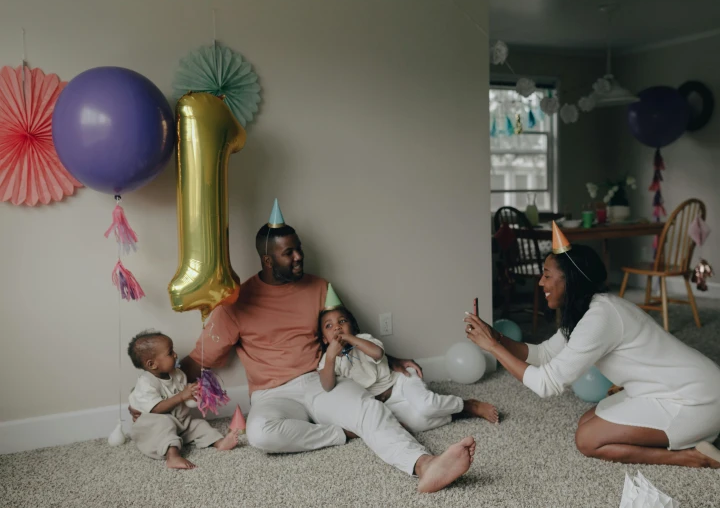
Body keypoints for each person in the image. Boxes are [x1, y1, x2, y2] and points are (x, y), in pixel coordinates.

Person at [133, 199, 475, 492]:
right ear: (268, 261)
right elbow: (198, 360)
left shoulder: (319, 287)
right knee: (261, 435)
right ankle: (340, 434)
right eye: (289, 253)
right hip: (271, 394)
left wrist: (393, 358)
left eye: (299, 249)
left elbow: (344, 331)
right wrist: (151, 400)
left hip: (319, 380)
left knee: (368, 408)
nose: (299, 257)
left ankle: (425, 464)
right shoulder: (235, 303)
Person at [463, 222, 720, 469]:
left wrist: (493, 348)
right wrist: (497, 337)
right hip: (671, 391)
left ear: (572, 280)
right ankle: (697, 435)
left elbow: (546, 384)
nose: (540, 283)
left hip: (699, 399)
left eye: (548, 275)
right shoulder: (587, 310)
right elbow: (544, 355)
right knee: (587, 422)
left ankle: (691, 456)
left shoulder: (600, 317)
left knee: (588, 441)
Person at [317, 287, 499, 432]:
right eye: (329, 326)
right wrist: (332, 356)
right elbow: (327, 385)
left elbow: (377, 353)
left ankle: (468, 405)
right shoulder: (329, 359)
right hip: (386, 402)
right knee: (417, 423)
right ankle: (456, 414)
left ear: (352, 326)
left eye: (342, 322)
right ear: (325, 338)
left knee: (426, 405)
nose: (337, 328)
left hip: (400, 381)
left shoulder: (364, 340)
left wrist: (351, 339)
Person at [127, 330, 238, 469]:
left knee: (199, 425)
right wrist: (181, 396)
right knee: (165, 424)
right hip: (156, 427)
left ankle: (219, 442)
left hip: (180, 423)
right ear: (152, 364)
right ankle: (172, 457)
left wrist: (194, 392)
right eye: (170, 352)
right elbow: (156, 409)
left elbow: (185, 396)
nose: (175, 354)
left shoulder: (177, 374)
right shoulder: (146, 383)